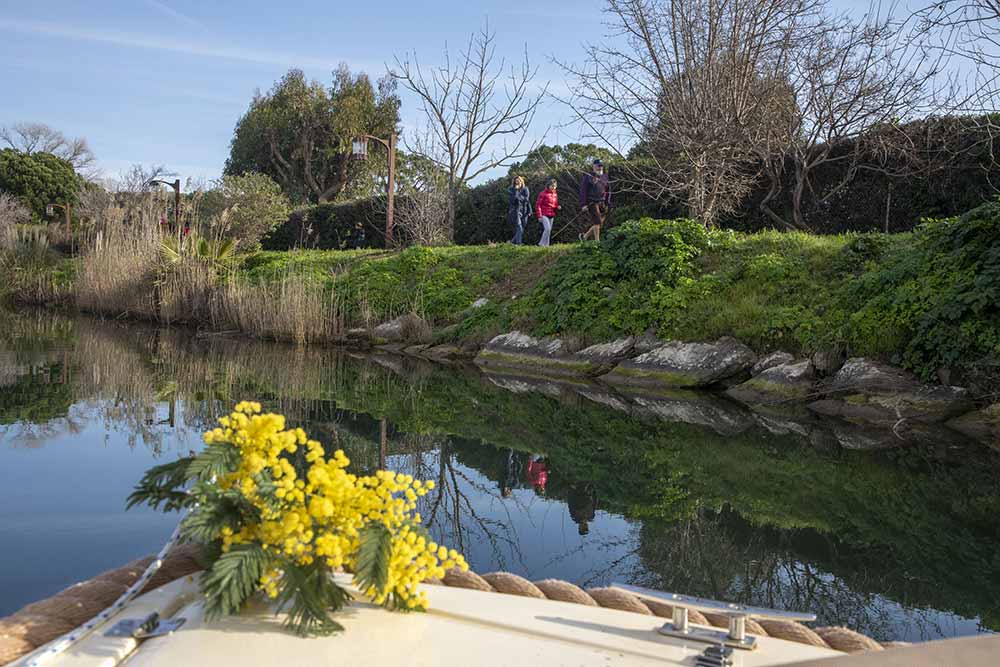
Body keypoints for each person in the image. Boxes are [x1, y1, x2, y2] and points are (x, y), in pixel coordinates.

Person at [579, 159, 610, 241]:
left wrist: (607, 202)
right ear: (594, 166)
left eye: (601, 166)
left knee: (600, 223)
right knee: (597, 222)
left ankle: (584, 237)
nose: (600, 168)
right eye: (598, 166)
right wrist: (583, 204)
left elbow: (607, 190)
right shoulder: (588, 177)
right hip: (592, 202)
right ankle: (597, 242)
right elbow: (583, 191)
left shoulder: (605, 177)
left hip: (602, 202)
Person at [534, 179, 561, 247]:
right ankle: (541, 243)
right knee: (547, 229)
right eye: (552, 186)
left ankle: (546, 245)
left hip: (551, 214)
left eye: (554, 186)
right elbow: (538, 205)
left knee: (549, 231)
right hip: (544, 214)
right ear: (548, 186)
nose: (553, 187)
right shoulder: (543, 193)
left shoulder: (555, 194)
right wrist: (539, 216)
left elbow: (555, 204)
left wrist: (557, 206)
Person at [507, 176, 531, 245]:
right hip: (515, 211)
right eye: (516, 181)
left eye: (519, 181)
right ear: (514, 182)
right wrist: (516, 191)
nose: (517, 182)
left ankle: (512, 242)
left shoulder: (525, 189)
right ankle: (518, 243)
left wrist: (530, 210)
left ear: (521, 181)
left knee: (522, 228)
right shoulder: (511, 189)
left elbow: (527, 200)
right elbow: (512, 200)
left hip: (524, 210)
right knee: (519, 227)